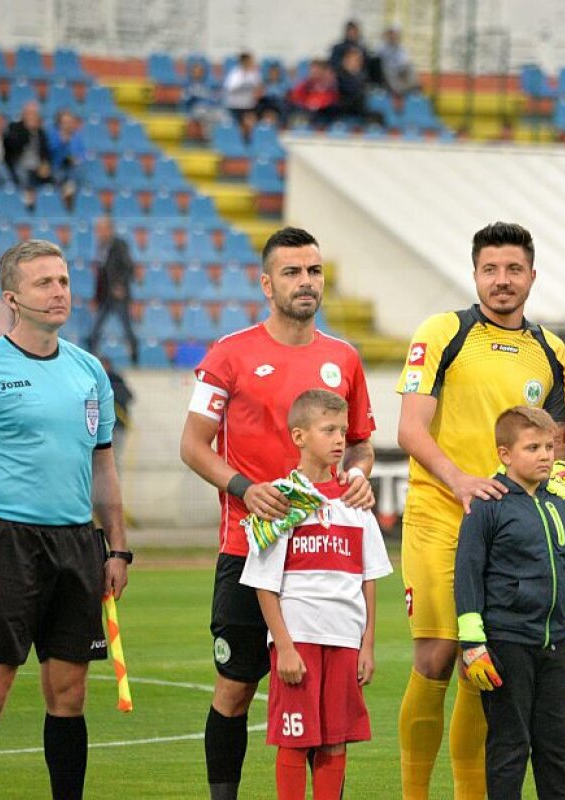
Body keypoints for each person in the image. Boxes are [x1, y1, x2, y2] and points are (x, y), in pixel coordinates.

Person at [178, 226, 375, 800]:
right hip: (250, 550)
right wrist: (244, 486)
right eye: (292, 272)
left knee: (324, 700)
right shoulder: (229, 355)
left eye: (314, 271)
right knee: (236, 688)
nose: (306, 282)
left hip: (323, 564)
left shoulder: (344, 357)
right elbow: (193, 445)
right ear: (267, 283)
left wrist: (358, 475)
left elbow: (360, 442)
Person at [0, 239, 129, 800]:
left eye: (64, 281)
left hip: (77, 543)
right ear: (12, 298)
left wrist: (116, 547)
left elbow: (104, 466)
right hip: (6, 543)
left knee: (69, 693)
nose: (59, 292)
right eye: (44, 283)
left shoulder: (90, 371)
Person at [395, 222, 565, 800]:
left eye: (513, 269)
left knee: (485, 665)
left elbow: (557, 443)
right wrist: (461, 481)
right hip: (441, 514)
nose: (502, 280)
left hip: (508, 534)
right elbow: (410, 428)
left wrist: (559, 490)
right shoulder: (444, 332)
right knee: (441, 653)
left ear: (532, 277)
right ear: (475, 275)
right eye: (491, 269)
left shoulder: (550, 350)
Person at [240, 389, 392, 800]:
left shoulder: (356, 499)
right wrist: (284, 646)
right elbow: (264, 583)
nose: (340, 439)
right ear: (299, 436)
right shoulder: (281, 498)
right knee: (294, 737)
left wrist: (368, 644)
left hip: (344, 639)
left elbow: (369, 577)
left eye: (343, 430)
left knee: (335, 740)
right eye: (328, 430)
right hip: (300, 640)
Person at [453, 406, 565, 800]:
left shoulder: (561, 503)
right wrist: (472, 644)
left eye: (549, 446)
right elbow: (467, 572)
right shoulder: (487, 504)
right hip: (506, 644)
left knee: (555, 748)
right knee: (509, 747)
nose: (546, 455)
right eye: (532, 447)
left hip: (554, 646)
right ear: (505, 454)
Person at [87, 217, 138, 363]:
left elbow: (129, 268)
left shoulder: (120, 245)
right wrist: (96, 298)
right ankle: (91, 358)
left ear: (110, 229)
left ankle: (135, 358)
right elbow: (101, 276)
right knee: (96, 329)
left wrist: (120, 285)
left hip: (118, 296)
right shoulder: (101, 247)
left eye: (102, 229)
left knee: (127, 328)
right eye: (98, 230)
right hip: (104, 297)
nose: (99, 233)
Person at [5, 101, 53, 195]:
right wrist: (28, 130)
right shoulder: (14, 128)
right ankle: (26, 204)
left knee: (52, 179)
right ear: (23, 114)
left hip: (36, 165)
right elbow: (12, 146)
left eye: (34, 114)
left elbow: (46, 152)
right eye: (29, 113)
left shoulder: (41, 132)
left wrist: (45, 164)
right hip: (19, 164)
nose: (31, 116)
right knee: (23, 177)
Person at [99, 356, 133, 479]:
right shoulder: (92, 379)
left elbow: (130, 397)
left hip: (117, 426)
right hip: (98, 428)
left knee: (114, 458)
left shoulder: (117, 379)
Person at [47, 110, 87, 199]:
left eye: (70, 122)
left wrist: (77, 159)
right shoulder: (53, 135)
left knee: (79, 170)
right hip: (56, 169)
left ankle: (70, 190)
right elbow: (50, 153)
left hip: (72, 169)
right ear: (59, 123)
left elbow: (83, 154)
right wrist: (62, 142)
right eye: (65, 122)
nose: (68, 125)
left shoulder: (77, 137)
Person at [377, 26, 417, 98]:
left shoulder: (402, 49)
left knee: (410, 68)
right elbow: (378, 62)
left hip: (398, 73)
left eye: (395, 35)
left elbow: (405, 63)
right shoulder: (382, 48)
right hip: (386, 74)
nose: (393, 37)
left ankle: (411, 90)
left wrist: (403, 71)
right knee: (388, 72)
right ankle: (397, 92)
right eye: (391, 34)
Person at [223, 52, 263, 124]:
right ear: (244, 62)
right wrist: (244, 82)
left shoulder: (254, 73)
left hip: (249, 106)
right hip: (235, 106)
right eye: (250, 61)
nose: (251, 63)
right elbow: (230, 88)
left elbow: (259, 87)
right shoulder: (234, 73)